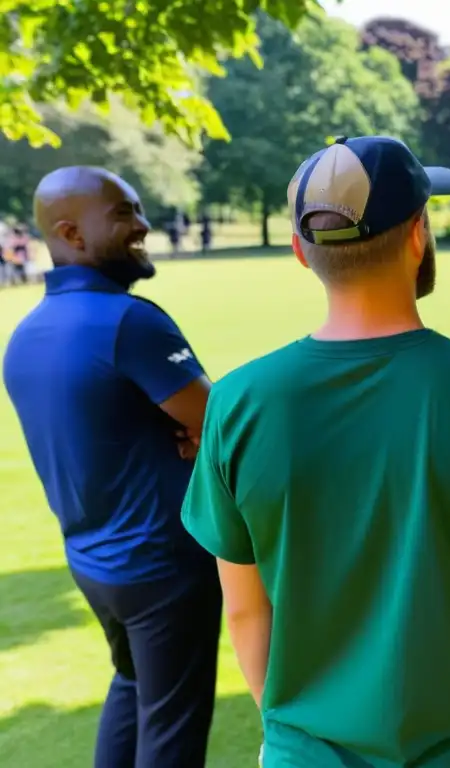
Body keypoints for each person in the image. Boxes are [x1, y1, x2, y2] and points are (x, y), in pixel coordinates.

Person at [180, 136, 450, 768]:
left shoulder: (235, 402)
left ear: (299, 250)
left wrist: (289, 731)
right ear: (419, 233)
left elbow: (244, 609)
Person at [2, 166, 220, 768]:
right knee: (172, 729)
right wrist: (203, 432)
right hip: (163, 567)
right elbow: (223, 424)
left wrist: (199, 429)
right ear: (71, 233)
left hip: (94, 565)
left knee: (133, 689)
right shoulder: (131, 322)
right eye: (123, 214)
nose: (143, 226)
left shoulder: (25, 333)